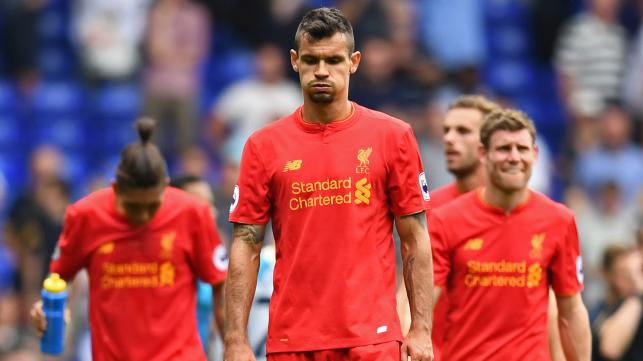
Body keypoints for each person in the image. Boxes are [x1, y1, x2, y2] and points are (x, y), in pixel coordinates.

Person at [225, 7, 433, 361]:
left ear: (354, 61)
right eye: (311, 60)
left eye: (334, 60)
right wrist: (235, 340)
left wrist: (420, 329)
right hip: (293, 340)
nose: (321, 71)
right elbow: (246, 245)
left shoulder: (393, 137)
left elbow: (415, 239)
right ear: (294, 61)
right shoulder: (263, 146)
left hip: (372, 338)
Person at [30, 118, 227, 360]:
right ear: (115, 188)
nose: (144, 215)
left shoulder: (193, 214)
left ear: (165, 187)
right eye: (134, 206)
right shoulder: (85, 216)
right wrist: (50, 307)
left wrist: (234, 342)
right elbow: (60, 277)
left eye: (153, 205)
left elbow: (221, 283)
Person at [430, 108, 591, 361]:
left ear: (535, 155)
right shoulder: (445, 220)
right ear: (483, 154)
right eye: (504, 148)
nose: (514, 157)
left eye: (522, 149)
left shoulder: (559, 220)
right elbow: (422, 303)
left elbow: (570, 311)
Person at [397, 95, 499, 360]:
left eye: (463, 131)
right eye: (446, 131)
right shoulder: (428, 211)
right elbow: (407, 293)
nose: (449, 139)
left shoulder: (524, 215)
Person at [169, 174, 226, 356]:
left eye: (211, 204)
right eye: (202, 204)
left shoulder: (216, 255)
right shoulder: (162, 259)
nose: (213, 212)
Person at [591, 245, 643, 361]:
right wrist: (637, 295)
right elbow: (610, 349)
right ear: (606, 274)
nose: (630, 278)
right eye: (622, 272)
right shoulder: (597, 313)